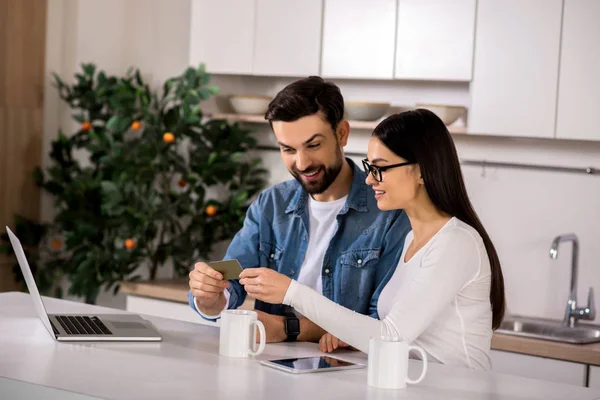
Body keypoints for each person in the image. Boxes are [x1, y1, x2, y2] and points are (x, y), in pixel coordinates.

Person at [238, 109, 506, 370]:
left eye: (380, 168)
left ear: (422, 171)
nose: (369, 179)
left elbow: (390, 336)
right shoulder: (410, 240)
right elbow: (388, 330)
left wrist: (291, 292)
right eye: (369, 167)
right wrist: (354, 337)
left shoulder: (456, 242)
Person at [188, 76, 411, 343]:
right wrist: (209, 295)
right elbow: (230, 279)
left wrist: (288, 328)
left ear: (342, 134)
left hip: (346, 373)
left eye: (313, 145)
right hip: (269, 365)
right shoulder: (270, 205)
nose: (302, 162)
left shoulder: (388, 211)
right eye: (288, 149)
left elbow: (381, 324)